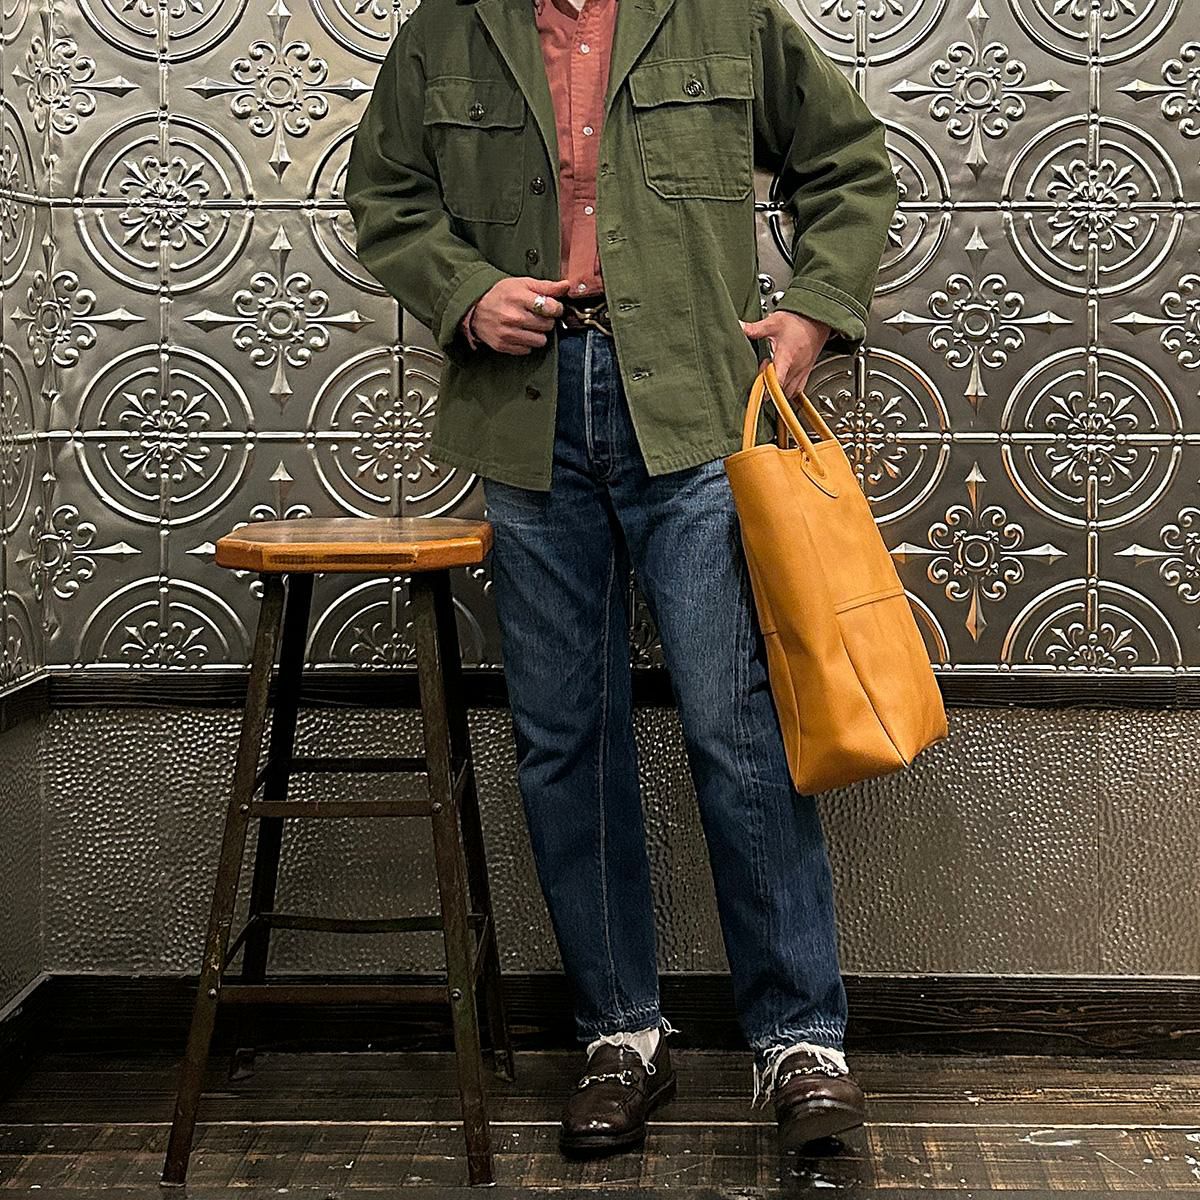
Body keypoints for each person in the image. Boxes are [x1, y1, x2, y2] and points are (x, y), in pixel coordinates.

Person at [344, 0, 898, 1159]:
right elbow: (386, 194)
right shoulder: (445, 26)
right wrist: (463, 290)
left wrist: (813, 313)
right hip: (525, 416)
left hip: (696, 405)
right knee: (564, 738)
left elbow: (846, 161)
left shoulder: (725, 12)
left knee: (739, 727)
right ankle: (620, 1035)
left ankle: (800, 1041)